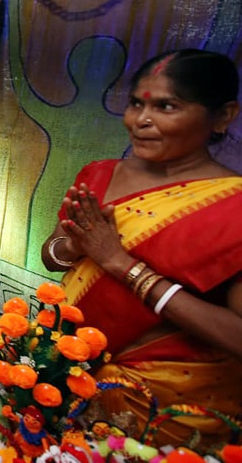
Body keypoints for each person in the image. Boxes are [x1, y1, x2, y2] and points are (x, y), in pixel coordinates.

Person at [43, 49, 242, 448]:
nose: (141, 121)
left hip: (166, 407)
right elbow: (51, 256)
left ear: (223, 116)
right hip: (66, 373)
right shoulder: (98, 174)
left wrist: (120, 264)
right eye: (136, 104)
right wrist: (75, 247)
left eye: (167, 106)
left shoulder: (232, 206)